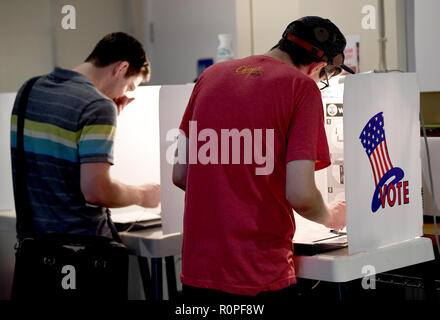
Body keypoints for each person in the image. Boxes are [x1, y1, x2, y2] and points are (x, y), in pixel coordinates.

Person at [173, 16, 351, 300]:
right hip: (259, 273)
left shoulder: (209, 77)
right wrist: (331, 216)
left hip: (199, 272)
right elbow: (301, 195)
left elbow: (181, 175)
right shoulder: (300, 88)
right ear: (318, 67)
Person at [10, 32, 160, 242]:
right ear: (121, 68)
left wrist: (107, 118)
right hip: (82, 251)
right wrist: (143, 195)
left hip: (33, 249)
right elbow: (97, 191)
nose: (124, 95)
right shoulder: (98, 106)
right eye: (130, 86)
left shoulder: (29, 89)